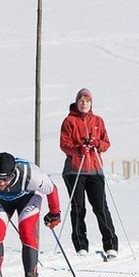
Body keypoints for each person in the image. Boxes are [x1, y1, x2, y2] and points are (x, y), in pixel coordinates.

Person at [0, 152, 61, 277]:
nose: (2, 183)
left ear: (13, 172)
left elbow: (51, 189)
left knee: (26, 230)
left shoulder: (31, 176)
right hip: (1, 200)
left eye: (6, 178)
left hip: (27, 198)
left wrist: (54, 214)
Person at [59, 88, 118, 258]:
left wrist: (97, 143)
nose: (84, 103)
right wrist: (78, 149)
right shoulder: (69, 121)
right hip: (74, 170)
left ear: (91, 103)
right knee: (78, 208)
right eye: (81, 100)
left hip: (95, 170)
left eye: (87, 101)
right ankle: (80, 245)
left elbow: (106, 144)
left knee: (100, 207)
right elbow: (64, 144)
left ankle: (110, 244)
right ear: (76, 103)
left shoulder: (98, 120)